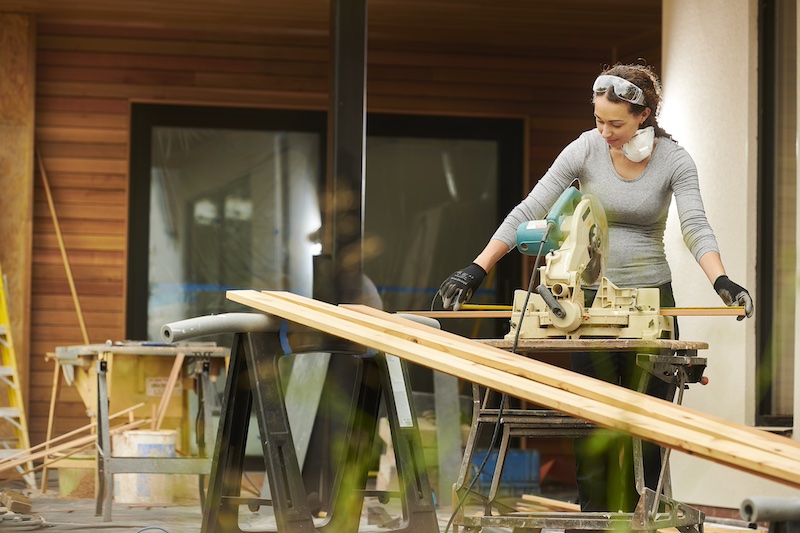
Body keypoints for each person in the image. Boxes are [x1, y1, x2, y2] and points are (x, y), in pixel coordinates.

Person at [437, 63, 754, 514]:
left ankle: (651, 518)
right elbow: (531, 207)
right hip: (588, 307)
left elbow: (696, 227)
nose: (604, 130)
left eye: (616, 123)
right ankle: (594, 521)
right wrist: (477, 268)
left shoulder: (674, 160)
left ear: (644, 115)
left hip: (650, 304)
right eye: (598, 119)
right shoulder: (586, 148)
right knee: (593, 428)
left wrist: (721, 280)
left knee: (649, 431)